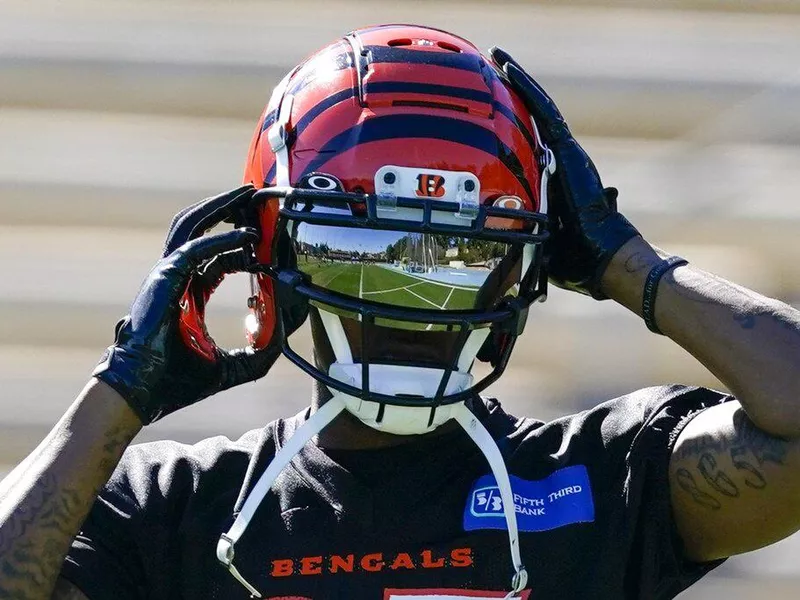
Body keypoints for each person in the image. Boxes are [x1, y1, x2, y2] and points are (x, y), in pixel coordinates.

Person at [1, 24, 799, 600]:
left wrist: (628, 262)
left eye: (460, 256)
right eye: (361, 252)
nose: (414, 306)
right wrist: (122, 387)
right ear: (272, 257)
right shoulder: (174, 506)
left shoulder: (602, 477)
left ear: (527, 266)